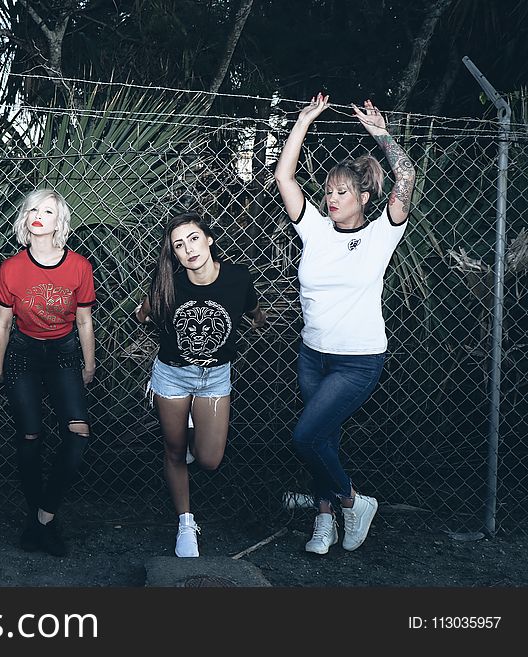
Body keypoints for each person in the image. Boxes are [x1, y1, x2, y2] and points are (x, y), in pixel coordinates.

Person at [273, 94, 416, 554]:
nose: (332, 199)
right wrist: (302, 122)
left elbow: (407, 176)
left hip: (358, 362)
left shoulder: (382, 234)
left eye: (342, 192)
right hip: (313, 356)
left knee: (305, 436)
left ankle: (354, 502)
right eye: (329, 192)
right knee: (324, 438)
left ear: (364, 198)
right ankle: (324, 521)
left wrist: (381, 132)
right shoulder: (314, 228)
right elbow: (283, 176)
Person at [135, 212, 266, 557]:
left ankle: (195, 427)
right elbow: (143, 314)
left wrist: (255, 320)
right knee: (175, 451)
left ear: (208, 239)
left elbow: (255, 311)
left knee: (209, 459)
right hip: (172, 375)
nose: (188, 249)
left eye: (193, 238)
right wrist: (149, 314)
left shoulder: (237, 278)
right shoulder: (168, 283)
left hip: (214, 378)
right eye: (179, 245)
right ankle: (185, 523)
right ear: (174, 254)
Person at [0, 188, 97, 558]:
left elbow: (84, 319)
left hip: (65, 353)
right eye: (32, 209)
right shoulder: (10, 268)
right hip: (23, 354)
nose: (38, 215)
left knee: (79, 433)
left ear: (58, 222)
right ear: (25, 219)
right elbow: (3, 324)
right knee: (30, 435)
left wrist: (89, 362)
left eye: (47, 211)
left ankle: (43, 518)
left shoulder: (79, 266)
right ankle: (39, 521)